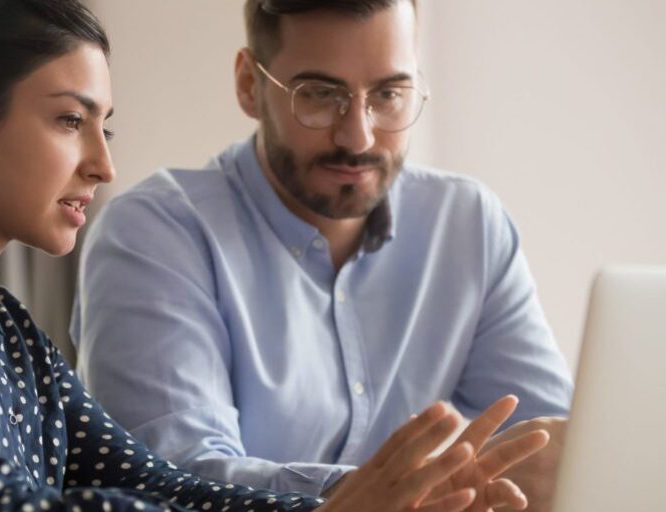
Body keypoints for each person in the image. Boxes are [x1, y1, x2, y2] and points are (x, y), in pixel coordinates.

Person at [0, 0, 548, 510]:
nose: (102, 164)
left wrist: (331, 507)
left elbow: (149, 481)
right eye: (70, 121)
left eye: (106, 127)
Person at [71, 0, 573, 509]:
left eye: (389, 94)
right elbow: (177, 480)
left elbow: (557, 451)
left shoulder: (467, 225)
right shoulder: (153, 235)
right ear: (250, 84)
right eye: (319, 95)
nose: (357, 135)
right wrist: (379, 495)